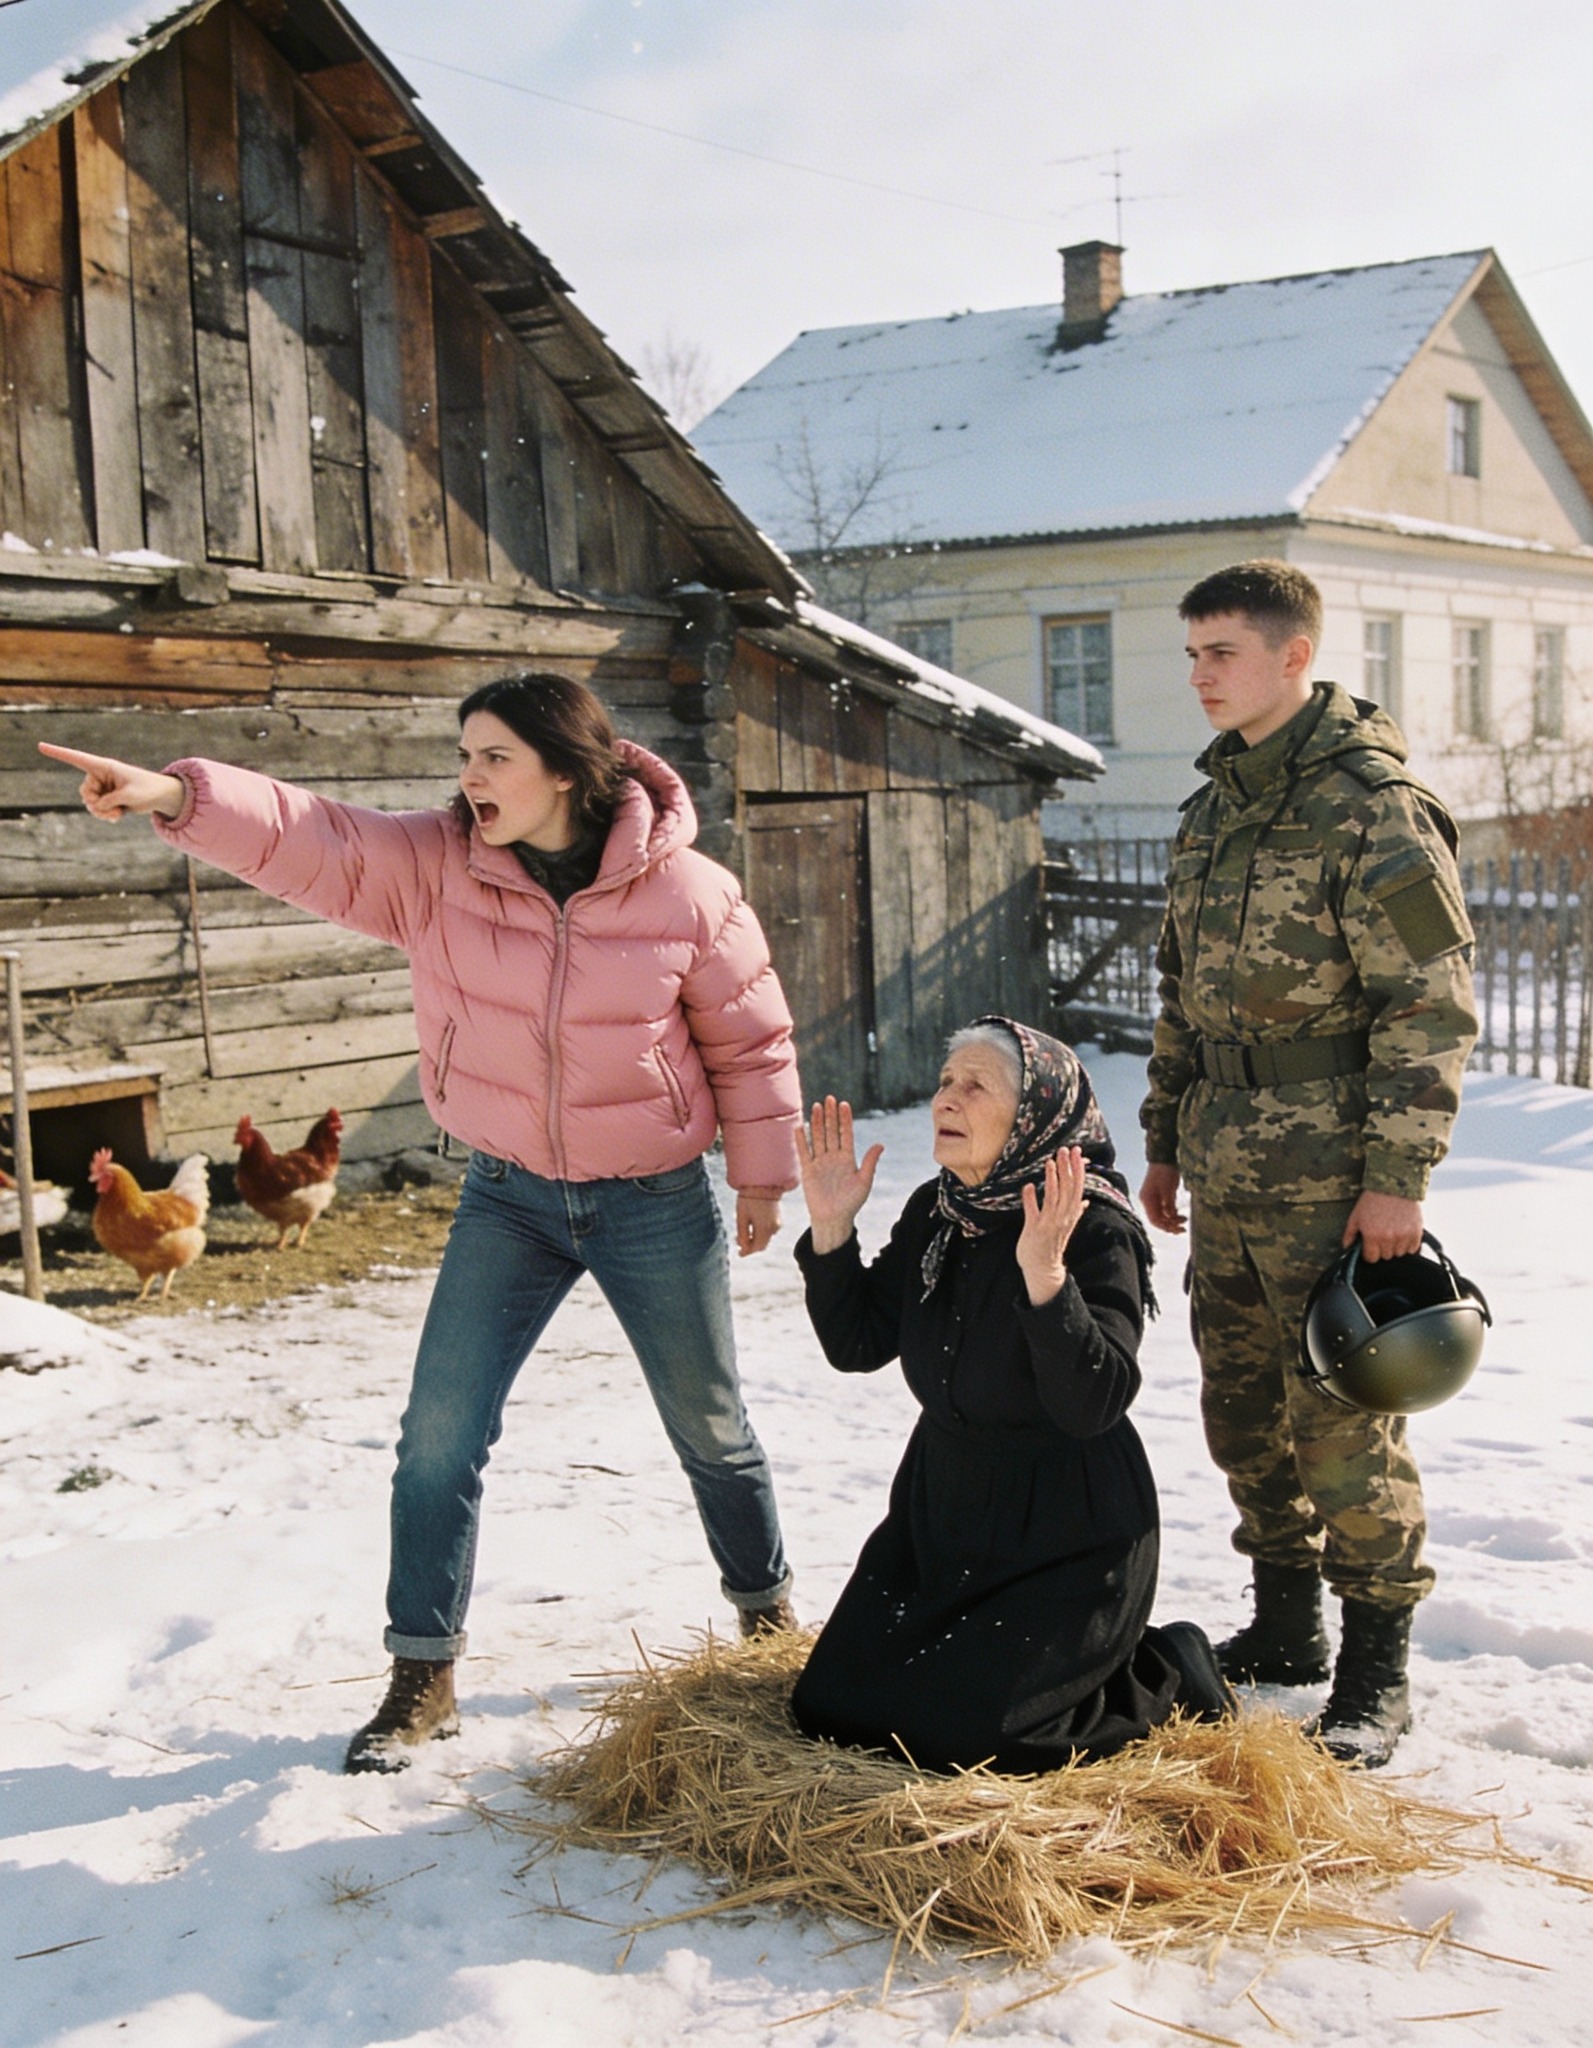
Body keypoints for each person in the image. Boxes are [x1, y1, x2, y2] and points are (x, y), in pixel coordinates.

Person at [41, 672, 803, 1772]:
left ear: (565, 771)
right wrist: (175, 794)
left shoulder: (689, 891)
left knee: (712, 1428)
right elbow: (311, 835)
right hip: (508, 1197)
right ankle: (423, 1674)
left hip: (650, 1199)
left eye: (494, 756)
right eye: (464, 754)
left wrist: (765, 1178)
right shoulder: (437, 866)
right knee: (437, 1437)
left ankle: (768, 1623)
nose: (469, 776)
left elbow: (750, 1039)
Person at [1139, 561, 1477, 1768]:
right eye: (1191, 652)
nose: (1199, 674)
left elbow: (1429, 1005)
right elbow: (1179, 993)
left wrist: (1399, 1176)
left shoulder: (1371, 806)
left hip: (1335, 1179)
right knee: (1242, 1412)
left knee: (1344, 1420)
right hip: (1227, 1168)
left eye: (1221, 651)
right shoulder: (1212, 809)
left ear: (1294, 655)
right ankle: (1287, 1629)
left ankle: (1376, 1668)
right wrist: (1165, 1138)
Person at [789, 1015, 1229, 1774]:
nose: (945, 1100)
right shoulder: (938, 1211)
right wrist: (832, 1230)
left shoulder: (1090, 1224)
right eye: (944, 1082)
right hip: (941, 1513)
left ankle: (1168, 1666)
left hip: (1065, 1530)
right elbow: (856, 1345)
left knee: (979, 1740)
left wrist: (1045, 1278)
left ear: (1034, 1115)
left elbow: (1093, 1404)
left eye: (975, 1086)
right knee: (830, 1707)